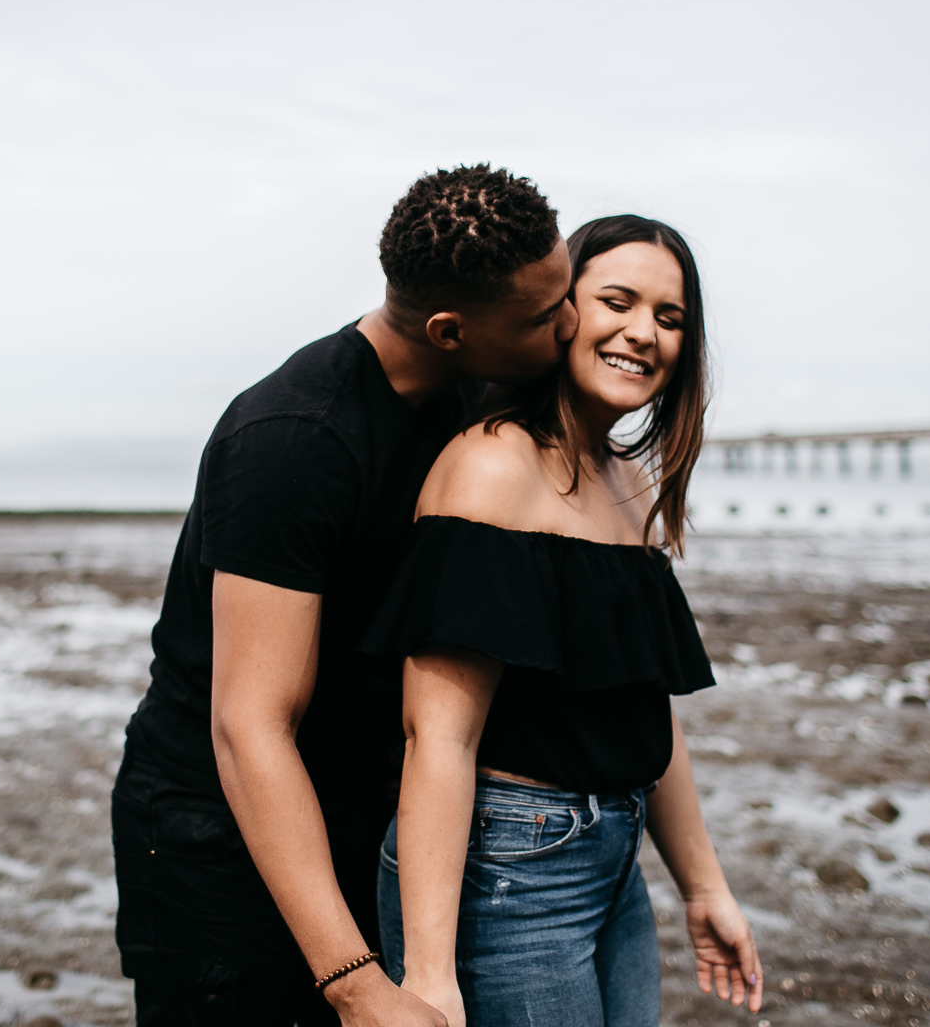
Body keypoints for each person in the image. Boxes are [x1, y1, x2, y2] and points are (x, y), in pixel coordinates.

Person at [112, 164, 582, 1026]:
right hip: (220, 833)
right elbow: (248, 726)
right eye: (547, 315)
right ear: (449, 329)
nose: (573, 324)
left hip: (363, 806)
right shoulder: (294, 441)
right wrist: (355, 984)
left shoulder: (474, 397)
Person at [367, 214, 762, 1027]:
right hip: (509, 869)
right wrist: (430, 972)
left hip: (613, 859)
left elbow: (647, 713)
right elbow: (438, 736)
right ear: (563, 312)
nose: (642, 333)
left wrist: (704, 886)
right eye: (618, 301)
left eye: (669, 316)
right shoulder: (489, 467)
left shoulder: (631, 484)